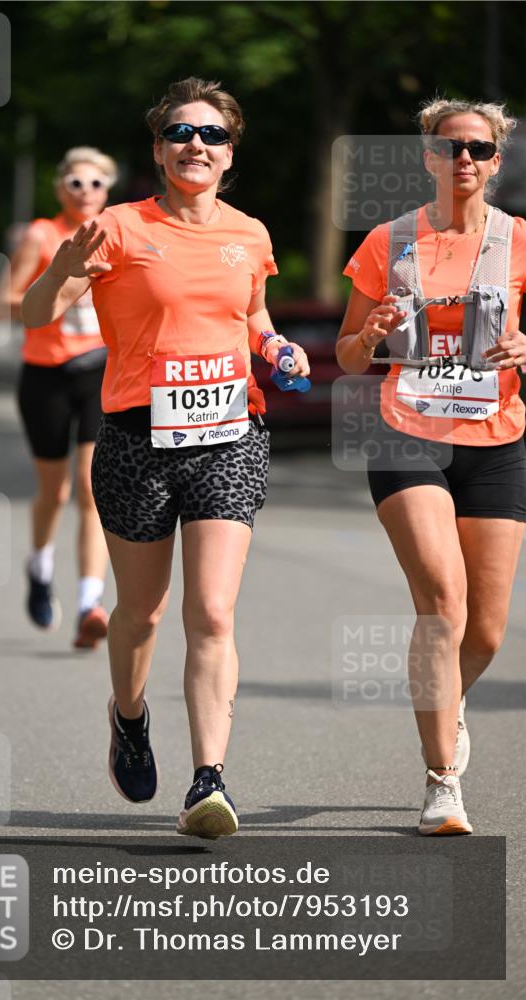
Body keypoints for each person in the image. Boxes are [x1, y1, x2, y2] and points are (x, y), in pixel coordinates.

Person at [22, 77, 309, 838]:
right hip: (135, 440)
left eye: (212, 135)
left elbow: (252, 314)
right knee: (141, 613)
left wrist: (276, 346)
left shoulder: (249, 233)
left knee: (211, 611)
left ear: (229, 153)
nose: (196, 145)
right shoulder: (117, 228)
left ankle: (208, 781)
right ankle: (128, 715)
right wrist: (61, 268)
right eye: (181, 132)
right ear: (158, 149)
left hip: (230, 436)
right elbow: (35, 314)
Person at [336, 99, 526, 835]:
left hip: (496, 437)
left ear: (496, 161)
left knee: (486, 631)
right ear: (427, 158)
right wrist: (372, 333)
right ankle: (442, 780)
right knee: (443, 603)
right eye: (449, 148)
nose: (463, 160)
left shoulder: (518, 240)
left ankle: (445, 699)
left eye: (477, 149)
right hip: (404, 433)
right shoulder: (389, 240)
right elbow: (350, 358)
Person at [0, 147, 118, 649]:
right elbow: (4, 304)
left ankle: (90, 603)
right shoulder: (41, 235)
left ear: (108, 190)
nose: (86, 192)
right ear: (60, 189)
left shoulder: (117, 232)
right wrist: (58, 289)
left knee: (91, 488)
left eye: (96, 184)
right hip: (45, 373)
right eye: (75, 183)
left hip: (98, 370)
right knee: (55, 492)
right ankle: (40, 565)